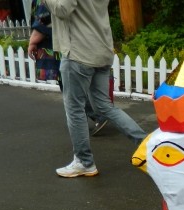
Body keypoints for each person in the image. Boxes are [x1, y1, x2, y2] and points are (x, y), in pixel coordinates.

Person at [44, 0, 148, 178]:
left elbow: (62, 9)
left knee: (75, 109)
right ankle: (148, 143)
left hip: (79, 52)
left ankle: (84, 162)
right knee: (104, 106)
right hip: (101, 50)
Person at [27, 0, 108, 136]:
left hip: (56, 44)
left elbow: (45, 20)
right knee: (72, 84)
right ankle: (94, 115)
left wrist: (32, 41)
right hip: (68, 41)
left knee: (68, 86)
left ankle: (93, 117)